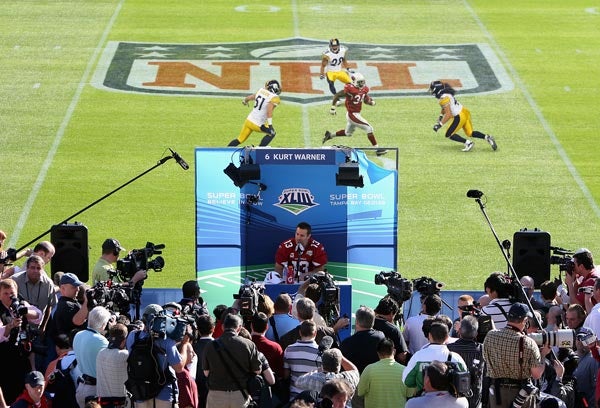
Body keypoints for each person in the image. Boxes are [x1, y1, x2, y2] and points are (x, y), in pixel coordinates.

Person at [483, 303, 545, 408]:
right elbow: (536, 374)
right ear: (525, 321)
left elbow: (485, 358)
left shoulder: (490, 335)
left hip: (496, 393)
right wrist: (543, 354)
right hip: (520, 395)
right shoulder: (528, 343)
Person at [126, 304, 184, 408]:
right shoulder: (166, 341)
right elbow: (179, 368)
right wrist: (184, 345)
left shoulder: (133, 336)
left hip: (140, 390)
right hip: (163, 392)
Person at [202, 313, 262, 408]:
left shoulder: (210, 346)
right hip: (240, 395)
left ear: (222, 327)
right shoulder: (249, 344)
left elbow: (206, 373)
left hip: (216, 395)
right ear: (239, 328)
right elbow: (257, 370)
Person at [323, 72, 387, 156]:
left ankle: (330, 135)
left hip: (354, 114)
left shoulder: (364, 89)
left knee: (347, 133)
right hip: (353, 114)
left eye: (362, 82)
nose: (362, 84)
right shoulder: (349, 88)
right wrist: (333, 107)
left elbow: (364, 98)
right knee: (369, 129)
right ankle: (377, 149)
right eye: (360, 82)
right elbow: (337, 95)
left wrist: (370, 102)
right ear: (354, 81)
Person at [0, 279, 43, 404]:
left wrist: (25, 311)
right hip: (5, 360)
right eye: (5, 293)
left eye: (11, 293)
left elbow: (38, 316)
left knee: (25, 393)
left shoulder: (20, 302)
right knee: (9, 393)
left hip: (23, 357)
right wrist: (10, 326)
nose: (9, 296)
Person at [428, 80, 497, 152]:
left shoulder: (443, 98)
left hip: (459, 116)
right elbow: (445, 107)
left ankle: (468, 143)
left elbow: (449, 114)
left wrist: (440, 125)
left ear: (437, 89)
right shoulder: (446, 94)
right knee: (470, 133)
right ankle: (488, 137)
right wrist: (441, 116)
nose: (431, 91)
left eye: (432, 89)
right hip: (464, 111)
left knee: (449, 134)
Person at [403, 319, 467, 393]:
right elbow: (464, 382)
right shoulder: (456, 358)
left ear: (429, 335)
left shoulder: (418, 357)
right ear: (447, 337)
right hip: (448, 402)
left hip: (424, 401)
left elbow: (407, 381)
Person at [73, 306, 111, 408]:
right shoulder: (102, 341)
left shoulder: (78, 335)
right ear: (103, 324)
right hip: (95, 390)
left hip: (81, 387)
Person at [227, 79, 281, 147]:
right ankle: (260, 150)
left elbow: (251, 97)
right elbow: (269, 111)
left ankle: (225, 152)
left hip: (249, 120)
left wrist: (245, 100)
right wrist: (270, 125)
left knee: (239, 139)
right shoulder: (275, 98)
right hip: (258, 124)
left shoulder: (261, 91)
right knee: (272, 133)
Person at [295, 347, 359, 404]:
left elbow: (298, 381)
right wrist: (341, 357)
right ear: (339, 366)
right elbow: (355, 371)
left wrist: (318, 370)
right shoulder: (346, 379)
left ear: (322, 365)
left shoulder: (312, 379)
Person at [357, 338, 407, 408]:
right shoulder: (404, 370)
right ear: (394, 351)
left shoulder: (369, 369)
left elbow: (360, 392)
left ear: (378, 353)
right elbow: (410, 393)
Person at [447, 315, 485, 408]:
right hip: (474, 394)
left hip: (454, 394)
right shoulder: (482, 349)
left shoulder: (449, 348)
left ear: (459, 331)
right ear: (476, 334)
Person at [283, 320, 322, 401]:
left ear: (300, 333)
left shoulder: (289, 349)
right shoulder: (321, 353)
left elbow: (286, 375)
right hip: (313, 398)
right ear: (315, 333)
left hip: (295, 398)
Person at [340, 306, 385, 374]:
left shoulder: (346, 343)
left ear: (356, 322)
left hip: (354, 381)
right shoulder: (381, 337)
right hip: (375, 379)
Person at [46, 272, 88, 341]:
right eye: (74, 287)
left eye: (78, 286)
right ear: (62, 288)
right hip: (68, 346)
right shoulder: (65, 305)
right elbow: (78, 321)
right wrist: (87, 301)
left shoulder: (72, 301)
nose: (78, 289)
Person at [96, 323, 129, 408]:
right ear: (124, 340)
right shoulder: (125, 355)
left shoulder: (100, 353)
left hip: (102, 403)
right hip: (120, 403)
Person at [372, 296, 409, 364]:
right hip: (387, 367)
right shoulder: (394, 330)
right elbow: (402, 356)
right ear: (392, 313)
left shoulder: (368, 324)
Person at [194, 314, 214, 408]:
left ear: (197, 330)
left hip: (198, 390)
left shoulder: (193, 348)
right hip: (217, 390)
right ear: (213, 328)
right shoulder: (220, 346)